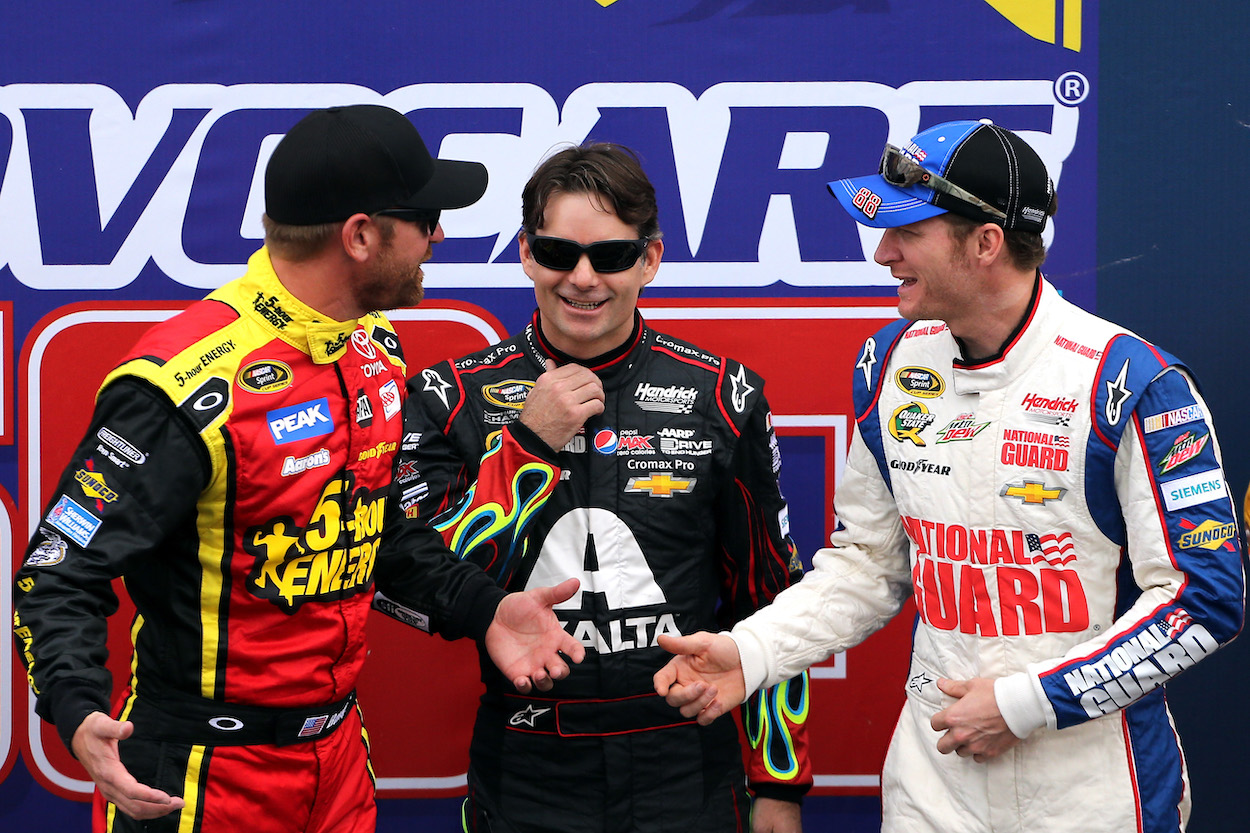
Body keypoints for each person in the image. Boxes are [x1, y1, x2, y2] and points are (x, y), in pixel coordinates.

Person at [654, 120, 1246, 833]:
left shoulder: (1128, 383)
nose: (884, 253)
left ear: (985, 242)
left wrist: (1027, 701)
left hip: (1094, 792)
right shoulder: (891, 363)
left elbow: (1203, 598)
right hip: (935, 787)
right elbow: (869, 565)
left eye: (907, 231)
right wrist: (751, 653)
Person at [12, 104, 584, 833]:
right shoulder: (187, 388)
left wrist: (484, 607)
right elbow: (59, 568)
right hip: (201, 777)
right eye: (426, 216)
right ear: (360, 235)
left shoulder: (373, 349)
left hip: (338, 762)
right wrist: (78, 703)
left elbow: (379, 532)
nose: (437, 235)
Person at [394, 142, 811, 833]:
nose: (583, 278)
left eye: (611, 256)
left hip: (686, 759)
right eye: (559, 253)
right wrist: (525, 446)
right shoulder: (451, 396)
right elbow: (422, 579)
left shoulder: (721, 394)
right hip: (526, 763)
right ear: (526, 252)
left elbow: (768, 596)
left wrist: (780, 780)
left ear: (650, 259)